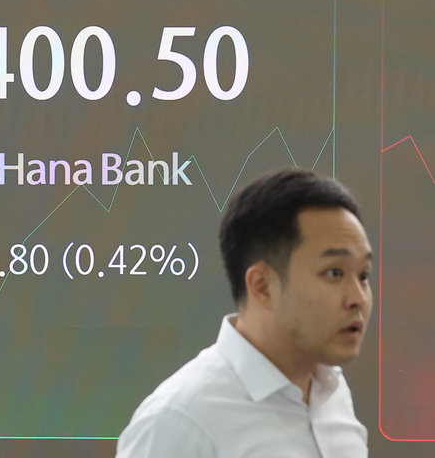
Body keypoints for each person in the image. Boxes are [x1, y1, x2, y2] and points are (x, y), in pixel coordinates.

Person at [116, 168, 372, 457]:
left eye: (363, 275)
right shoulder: (179, 423)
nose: (358, 298)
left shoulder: (332, 394)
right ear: (262, 287)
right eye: (334, 273)